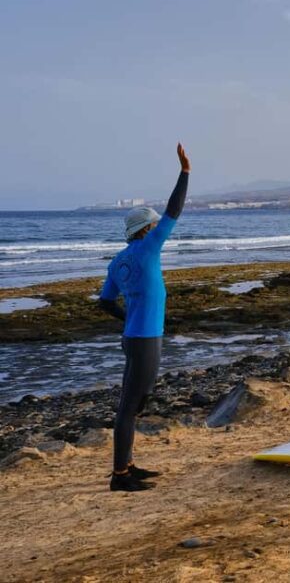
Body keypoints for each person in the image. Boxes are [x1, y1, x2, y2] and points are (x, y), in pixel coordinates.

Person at [98, 143, 191, 492]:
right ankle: (119, 476)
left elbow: (105, 302)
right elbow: (174, 210)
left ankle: (129, 465)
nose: (157, 227)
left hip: (135, 336)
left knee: (137, 399)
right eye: (153, 225)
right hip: (145, 337)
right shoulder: (150, 247)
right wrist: (185, 172)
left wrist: (126, 319)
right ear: (146, 230)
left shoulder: (117, 261)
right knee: (130, 404)